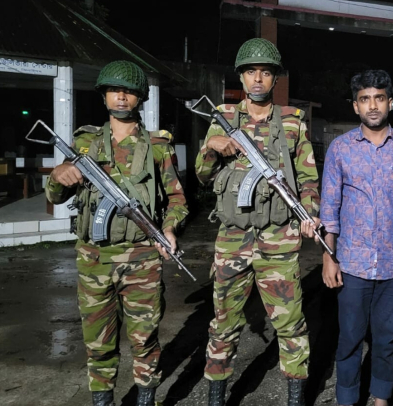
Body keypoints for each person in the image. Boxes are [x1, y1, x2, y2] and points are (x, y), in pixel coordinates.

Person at [45, 60, 189, 406]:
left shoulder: (157, 146)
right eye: (114, 90)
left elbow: (178, 199)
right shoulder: (84, 143)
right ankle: (102, 400)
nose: (121, 97)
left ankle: (145, 398)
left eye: (128, 91)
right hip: (93, 259)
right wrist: (58, 174)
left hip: (142, 259)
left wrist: (168, 228)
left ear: (139, 98)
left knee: (144, 337)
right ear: (104, 96)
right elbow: (55, 197)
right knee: (98, 341)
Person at [194, 38, 320, 406]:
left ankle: (296, 397)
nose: (258, 79)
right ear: (242, 76)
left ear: (275, 78)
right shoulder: (222, 118)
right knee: (223, 322)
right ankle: (216, 396)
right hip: (232, 238)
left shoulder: (293, 123)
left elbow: (309, 178)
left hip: (279, 239)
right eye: (251, 72)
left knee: (290, 323)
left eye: (266, 72)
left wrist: (309, 214)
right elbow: (202, 177)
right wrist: (210, 148)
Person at [319, 70, 393, 406]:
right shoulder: (340, 149)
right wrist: (328, 256)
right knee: (349, 338)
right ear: (355, 106)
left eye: (379, 98)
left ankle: (381, 398)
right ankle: (347, 399)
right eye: (365, 99)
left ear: (390, 102)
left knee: (387, 339)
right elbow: (329, 208)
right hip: (352, 262)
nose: (373, 105)